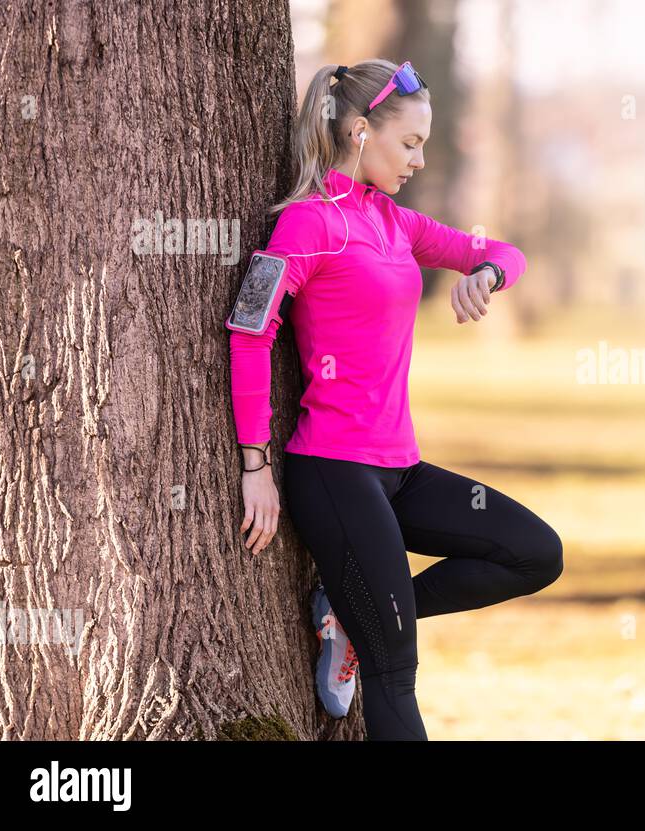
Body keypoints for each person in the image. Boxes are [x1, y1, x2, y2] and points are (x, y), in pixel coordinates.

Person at [226, 59, 563, 741]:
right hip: (334, 472)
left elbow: (501, 250)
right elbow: (249, 332)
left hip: (399, 470)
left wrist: (488, 274)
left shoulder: (395, 223)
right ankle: (364, 617)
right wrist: (255, 463)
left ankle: (351, 611)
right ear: (357, 133)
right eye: (408, 143)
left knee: (534, 552)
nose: (418, 158)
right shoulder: (306, 225)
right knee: (394, 669)